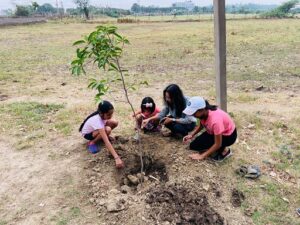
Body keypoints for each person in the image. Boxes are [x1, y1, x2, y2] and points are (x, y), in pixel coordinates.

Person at [183, 96, 237, 162]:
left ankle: (225, 151)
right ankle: (213, 149)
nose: (192, 115)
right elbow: (202, 125)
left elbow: (218, 144)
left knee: (213, 147)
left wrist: (202, 156)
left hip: (228, 136)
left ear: (202, 109)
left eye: (194, 113)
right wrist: (192, 135)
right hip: (214, 132)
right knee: (194, 146)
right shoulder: (204, 113)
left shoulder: (215, 121)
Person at [79, 100, 124, 168]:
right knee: (107, 129)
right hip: (88, 134)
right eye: (108, 115)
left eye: (111, 114)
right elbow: (107, 142)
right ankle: (92, 142)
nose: (110, 116)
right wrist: (117, 158)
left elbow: (109, 118)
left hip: (95, 129)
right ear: (101, 113)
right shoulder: (97, 120)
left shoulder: (102, 115)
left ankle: (103, 135)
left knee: (115, 122)